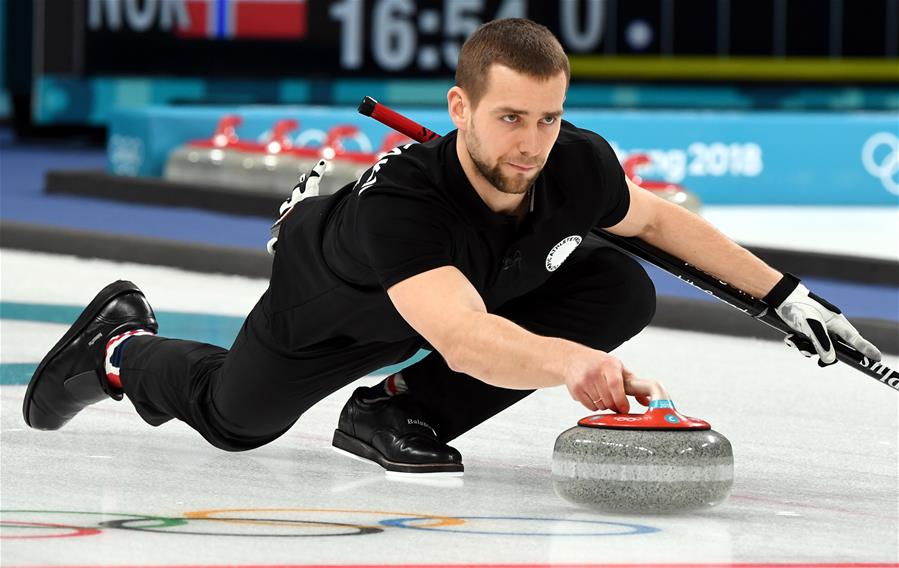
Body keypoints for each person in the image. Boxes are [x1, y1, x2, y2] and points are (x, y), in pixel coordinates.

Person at [23, 19, 882, 476]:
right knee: (235, 422)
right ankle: (118, 348)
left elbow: (654, 222)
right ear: (458, 107)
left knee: (619, 287)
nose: (532, 143)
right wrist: (571, 364)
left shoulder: (570, 160)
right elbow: (467, 339)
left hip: (467, 291)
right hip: (337, 304)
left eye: (547, 117)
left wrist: (787, 298)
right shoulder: (405, 203)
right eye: (510, 117)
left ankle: (398, 410)